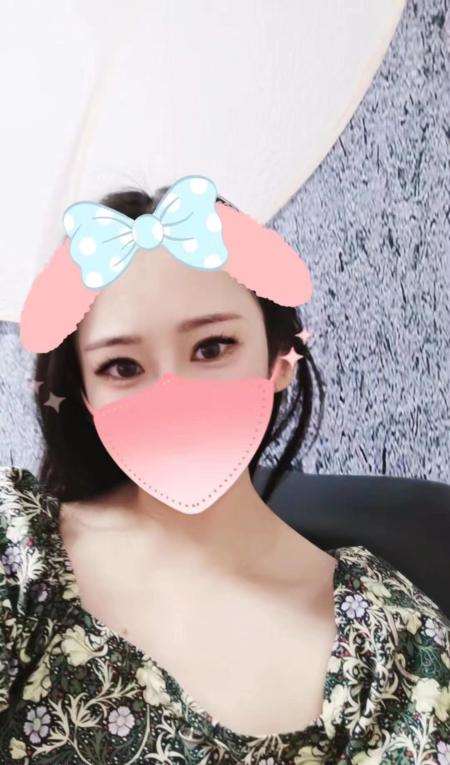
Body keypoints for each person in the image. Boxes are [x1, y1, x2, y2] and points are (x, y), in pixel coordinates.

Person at [0, 180, 449, 764]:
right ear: (84, 396)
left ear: (280, 356)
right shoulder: (15, 545)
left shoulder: (389, 647)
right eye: (123, 367)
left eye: (211, 348)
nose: (173, 397)